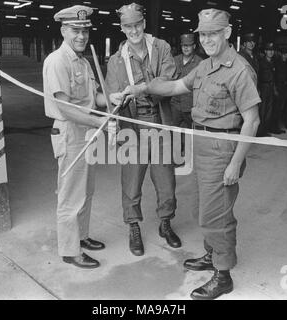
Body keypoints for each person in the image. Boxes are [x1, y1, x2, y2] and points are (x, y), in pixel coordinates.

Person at [113, 7, 260, 300]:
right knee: (203, 209)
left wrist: (235, 163)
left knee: (216, 215)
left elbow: (252, 120)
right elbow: (176, 85)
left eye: (212, 34)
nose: (206, 39)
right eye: (202, 34)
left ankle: (222, 274)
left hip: (223, 149)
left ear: (227, 33)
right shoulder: (205, 67)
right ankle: (211, 254)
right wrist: (141, 88)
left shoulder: (240, 69)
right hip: (202, 146)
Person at [105, 3, 181, 257]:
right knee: (131, 181)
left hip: (159, 123)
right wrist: (115, 98)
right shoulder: (116, 60)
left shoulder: (162, 48)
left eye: (137, 24)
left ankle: (165, 223)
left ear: (144, 24)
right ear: (122, 29)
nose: (134, 30)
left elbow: (167, 82)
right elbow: (111, 94)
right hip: (132, 126)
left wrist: (141, 88)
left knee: (166, 181)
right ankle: (134, 227)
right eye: (128, 26)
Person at [43, 5, 114, 269]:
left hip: (87, 132)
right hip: (70, 132)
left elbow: (92, 98)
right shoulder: (56, 62)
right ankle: (70, 251)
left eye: (85, 30)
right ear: (64, 30)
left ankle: (82, 237)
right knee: (70, 194)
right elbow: (66, 107)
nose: (81, 36)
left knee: (86, 191)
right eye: (75, 30)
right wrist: (100, 122)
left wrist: (109, 100)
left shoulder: (83, 61)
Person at [171, 34, 202, 153]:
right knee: (175, 130)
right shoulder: (175, 60)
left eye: (188, 46)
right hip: (175, 103)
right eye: (184, 45)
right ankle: (177, 156)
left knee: (191, 131)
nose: (186, 48)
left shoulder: (200, 62)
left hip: (191, 104)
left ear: (194, 46)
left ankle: (190, 154)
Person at [258, 42, 279, 135]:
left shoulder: (273, 62)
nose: (271, 52)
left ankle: (265, 130)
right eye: (269, 50)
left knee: (269, 110)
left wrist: (274, 89)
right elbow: (257, 76)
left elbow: (274, 77)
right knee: (262, 110)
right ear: (265, 51)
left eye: (272, 50)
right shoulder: (261, 62)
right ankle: (260, 131)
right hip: (263, 88)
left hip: (270, 87)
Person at [274, 47, 287, 131]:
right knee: (277, 108)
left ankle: (278, 125)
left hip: (284, 87)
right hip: (278, 87)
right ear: (281, 54)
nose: (285, 56)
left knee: (282, 108)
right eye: (284, 54)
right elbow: (274, 77)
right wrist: (275, 88)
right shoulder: (277, 63)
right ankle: (275, 126)